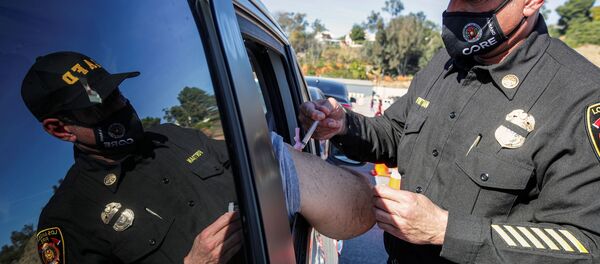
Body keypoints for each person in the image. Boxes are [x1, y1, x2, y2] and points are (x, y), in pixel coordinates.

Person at [300, 0, 600, 263]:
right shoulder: (445, 65)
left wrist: (445, 230)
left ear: (531, 2)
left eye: (473, 0)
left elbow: (588, 244)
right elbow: (394, 133)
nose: (453, 11)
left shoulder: (579, 95)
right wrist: (343, 125)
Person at [22, 51, 374, 263]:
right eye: (99, 105)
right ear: (60, 129)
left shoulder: (173, 137)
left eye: (115, 93)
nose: (120, 106)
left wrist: (295, 151)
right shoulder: (67, 219)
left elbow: (269, 171)